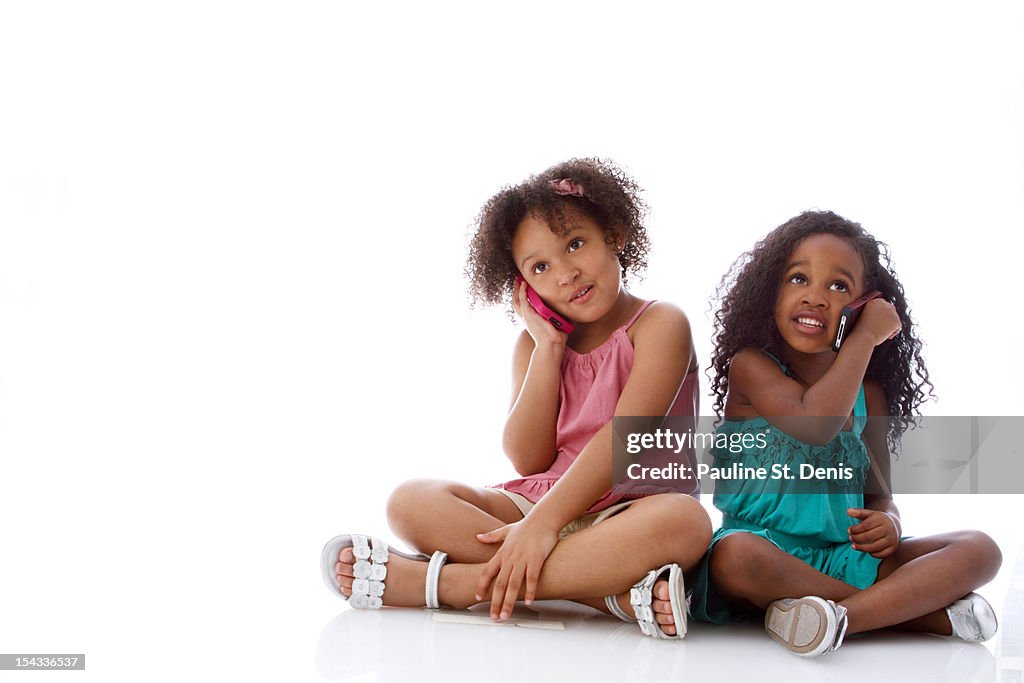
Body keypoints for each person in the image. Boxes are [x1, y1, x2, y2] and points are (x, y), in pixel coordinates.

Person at [320, 158, 711, 639]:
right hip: (542, 501)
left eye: (576, 244)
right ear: (523, 286)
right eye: (541, 266)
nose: (565, 273)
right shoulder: (534, 345)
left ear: (615, 234)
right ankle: (607, 594)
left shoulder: (661, 324)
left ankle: (449, 584)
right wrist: (549, 349)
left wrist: (541, 529)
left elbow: (623, 441)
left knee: (687, 522)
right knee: (410, 501)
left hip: (632, 511)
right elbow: (529, 459)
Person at [691, 210, 1002, 656]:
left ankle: (837, 620)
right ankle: (915, 615)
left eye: (839, 287)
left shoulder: (869, 395)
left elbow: (880, 495)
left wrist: (889, 523)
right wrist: (866, 338)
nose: (816, 297)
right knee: (734, 556)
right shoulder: (751, 367)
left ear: (863, 305)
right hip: (762, 553)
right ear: (768, 293)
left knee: (980, 548)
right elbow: (814, 423)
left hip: (844, 556)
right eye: (798, 279)